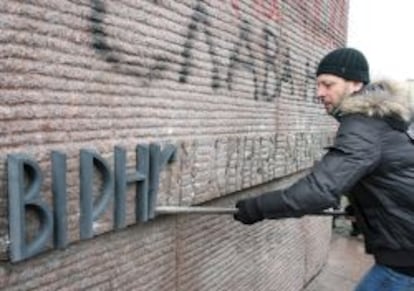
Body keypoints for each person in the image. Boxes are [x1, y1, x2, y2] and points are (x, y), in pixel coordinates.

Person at [233, 47, 414, 290]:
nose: (319, 93)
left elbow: (318, 192)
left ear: (355, 84)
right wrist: (362, 208)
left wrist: (257, 207)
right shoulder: (378, 121)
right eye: (317, 85)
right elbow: (392, 175)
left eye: (327, 84)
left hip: (404, 261)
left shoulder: (363, 125)